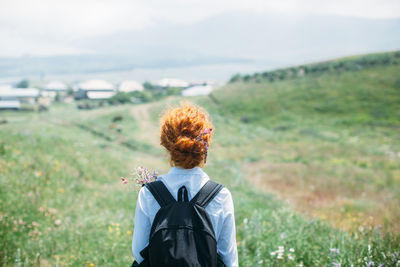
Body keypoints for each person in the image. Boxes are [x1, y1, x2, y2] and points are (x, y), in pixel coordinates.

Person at [132, 102, 238, 267]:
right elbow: (229, 260)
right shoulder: (221, 195)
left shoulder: (149, 193)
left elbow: (139, 253)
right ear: (205, 143)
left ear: (166, 143)